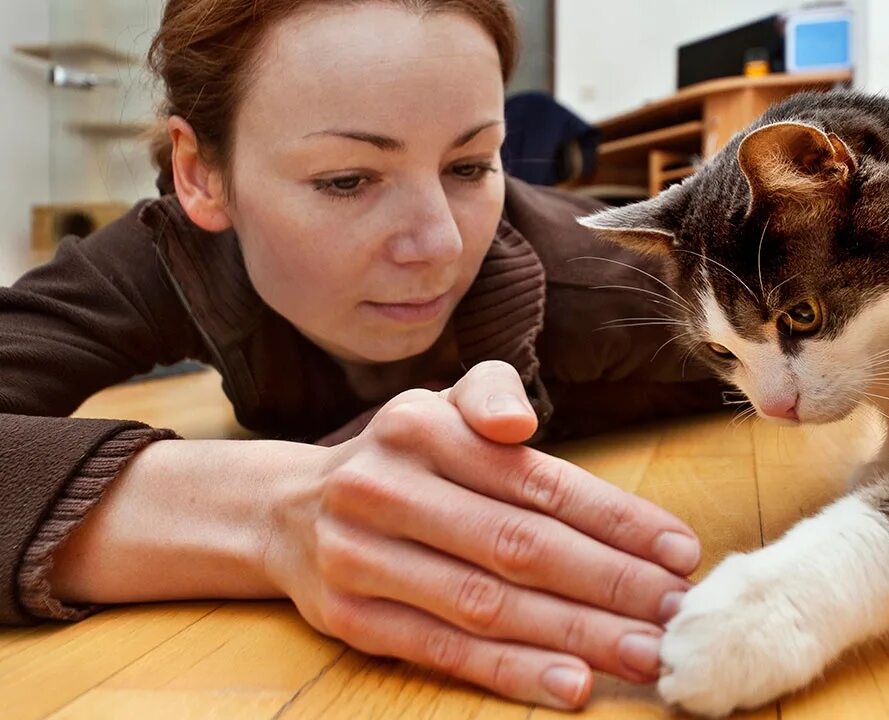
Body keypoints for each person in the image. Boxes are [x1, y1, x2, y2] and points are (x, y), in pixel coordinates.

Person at [0, 0, 724, 710]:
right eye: (347, 180)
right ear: (200, 174)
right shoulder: (163, 257)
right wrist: (272, 512)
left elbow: (820, 359)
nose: (440, 244)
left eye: (470, 166)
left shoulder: (620, 288)